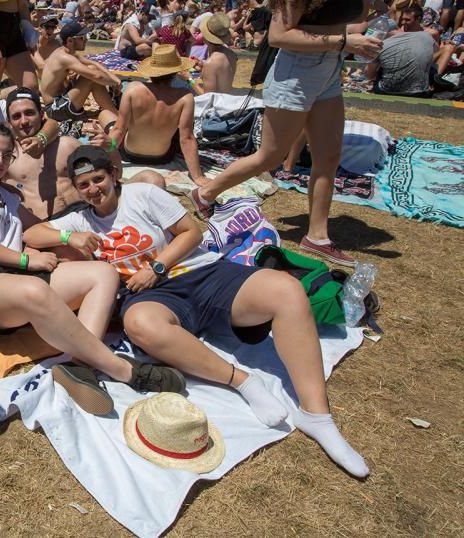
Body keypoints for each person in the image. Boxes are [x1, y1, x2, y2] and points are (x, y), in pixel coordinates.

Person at [23, 145, 369, 478]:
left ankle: (316, 414)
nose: (93, 190)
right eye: (83, 185)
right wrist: (68, 238)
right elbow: (33, 233)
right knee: (140, 324)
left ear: (114, 174)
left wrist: (158, 266)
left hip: (200, 273)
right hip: (153, 297)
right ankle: (242, 381)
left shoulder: (142, 195)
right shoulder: (82, 220)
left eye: (98, 179)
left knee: (287, 290)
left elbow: (191, 232)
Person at [189, 0, 383, 267]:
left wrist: (361, 26)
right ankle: (206, 192)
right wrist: (344, 41)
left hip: (328, 69)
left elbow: (354, 17)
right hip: (296, 70)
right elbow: (279, 34)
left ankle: (318, 235)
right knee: (271, 155)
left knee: (329, 155)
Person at [0, 124, 185, 416]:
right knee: (36, 290)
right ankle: (125, 371)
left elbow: (38, 230)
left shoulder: (8, 196)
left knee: (102, 274)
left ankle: (81, 368)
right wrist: (26, 261)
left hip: (12, 277)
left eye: (6, 156)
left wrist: (69, 237)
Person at [106, 45, 208, 186]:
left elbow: (119, 130)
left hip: (129, 154)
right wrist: (197, 176)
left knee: (106, 115)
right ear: (175, 72)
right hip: (163, 157)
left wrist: (107, 153)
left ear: (151, 70)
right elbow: (187, 138)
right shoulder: (185, 97)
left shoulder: (133, 89)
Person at [2, 88, 83, 222]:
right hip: (44, 227)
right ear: (9, 123)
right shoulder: (6, 158)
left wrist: (112, 146)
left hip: (82, 216)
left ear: (41, 114)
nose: (24, 121)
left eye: (29, 113)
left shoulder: (67, 145)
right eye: (16, 116)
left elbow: (111, 173)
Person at [41, 22, 120, 123]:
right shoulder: (64, 57)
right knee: (90, 78)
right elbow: (97, 76)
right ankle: (116, 115)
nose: (86, 40)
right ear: (70, 40)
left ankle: (111, 110)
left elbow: (94, 63)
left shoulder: (66, 52)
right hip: (54, 109)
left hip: (61, 100)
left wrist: (115, 79)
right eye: (82, 38)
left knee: (91, 69)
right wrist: (114, 83)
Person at [366, 3, 450, 97]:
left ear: (418, 19)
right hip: (414, 87)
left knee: (447, 49)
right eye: (402, 19)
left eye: (407, 20)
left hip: (413, 70)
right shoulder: (394, 34)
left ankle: (433, 81)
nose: (403, 22)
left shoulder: (431, 34)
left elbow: (431, 55)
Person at [195, 13, 238, 94]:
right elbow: (221, 77)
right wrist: (203, 67)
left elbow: (207, 97)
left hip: (216, 102)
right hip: (227, 99)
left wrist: (189, 80)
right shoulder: (231, 54)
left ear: (206, 37)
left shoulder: (211, 63)